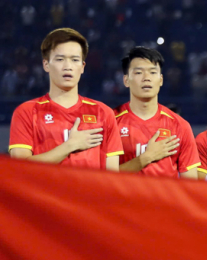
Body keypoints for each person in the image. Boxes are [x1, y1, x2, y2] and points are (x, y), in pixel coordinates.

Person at [9, 28, 123, 170]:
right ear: (46, 65)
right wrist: (70, 146)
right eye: (60, 59)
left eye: (75, 60)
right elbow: (20, 169)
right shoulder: (26, 111)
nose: (68, 66)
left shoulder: (103, 113)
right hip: (43, 193)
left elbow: (112, 175)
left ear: (82, 67)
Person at [115, 47, 200, 178]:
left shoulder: (180, 125)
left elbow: (190, 185)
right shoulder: (111, 121)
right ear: (126, 80)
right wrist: (146, 158)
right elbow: (100, 177)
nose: (146, 78)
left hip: (164, 199)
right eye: (138, 72)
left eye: (153, 72)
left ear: (161, 80)